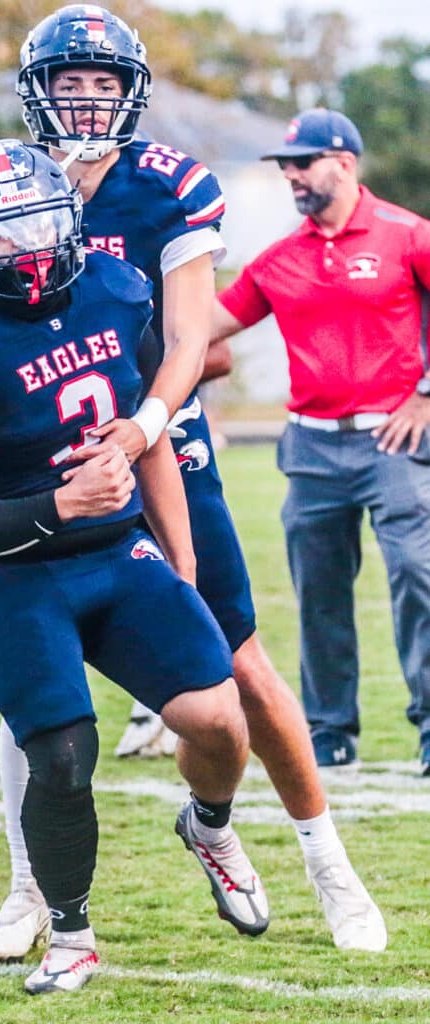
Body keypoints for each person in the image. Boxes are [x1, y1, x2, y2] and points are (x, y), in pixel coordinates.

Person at [0, 6, 386, 961]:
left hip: (162, 440)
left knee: (238, 660)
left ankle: (327, 866)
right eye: (67, 83)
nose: (84, 101)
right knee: (27, 678)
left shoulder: (168, 186)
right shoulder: (8, 179)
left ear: (130, 92)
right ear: (38, 91)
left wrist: (146, 424)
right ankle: (27, 890)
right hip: (52, 452)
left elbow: (196, 340)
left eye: (100, 83)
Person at [0, 138, 268, 995]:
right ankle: (69, 933)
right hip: (12, 575)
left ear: (71, 225)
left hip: (117, 554)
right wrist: (59, 505)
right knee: (64, 753)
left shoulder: (114, 288)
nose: (24, 249)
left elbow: (152, 436)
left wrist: (179, 560)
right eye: (1, 233)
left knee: (217, 719)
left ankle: (209, 827)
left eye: (36, 224)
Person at [211, 107, 430, 776]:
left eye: (304, 163)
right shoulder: (279, 259)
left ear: (344, 163)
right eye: (286, 166)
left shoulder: (406, 234)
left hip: (391, 441)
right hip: (309, 448)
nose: (292, 176)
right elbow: (205, 328)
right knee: (319, 590)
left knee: (418, 576)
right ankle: (330, 731)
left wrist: (426, 394)